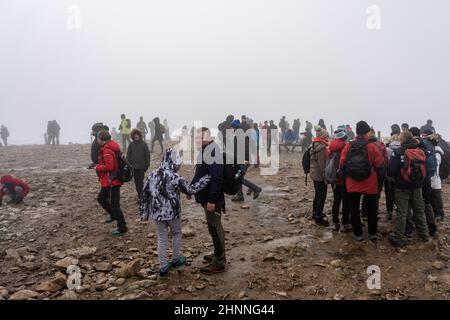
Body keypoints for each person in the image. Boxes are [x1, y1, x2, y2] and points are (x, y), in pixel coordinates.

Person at [140, 148, 210, 278]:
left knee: (162, 238)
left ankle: (163, 267)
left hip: (156, 213)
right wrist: (206, 179)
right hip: (172, 212)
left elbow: (144, 194)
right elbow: (190, 190)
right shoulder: (174, 176)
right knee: (176, 233)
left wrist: (144, 214)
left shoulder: (152, 174)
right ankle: (176, 260)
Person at [339, 121, 386, 241]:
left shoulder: (348, 146)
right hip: (370, 184)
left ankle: (358, 233)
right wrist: (379, 183)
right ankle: (372, 233)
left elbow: (342, 164)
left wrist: (345, 181)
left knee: (354, 209)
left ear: (356, 132)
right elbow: (380, 165)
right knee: (372, 209)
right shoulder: (371, 147)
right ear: (366, 133)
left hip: (352, 183)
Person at [191, 127, 226, 274]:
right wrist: (190, 188)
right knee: (213, 228)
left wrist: (212, 200)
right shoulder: (205, 149)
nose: (197, 140)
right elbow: (199, 172)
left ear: (208, 136)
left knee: (215, 228)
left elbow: (217, 178)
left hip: (212, 199)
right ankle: (217, 254)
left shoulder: (213, 151)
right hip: (206, 197)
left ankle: (219, 261)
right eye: (196, 138)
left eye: (200, 137)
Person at [387, 131, 430, 247]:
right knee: (420, 211)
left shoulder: (398, 152)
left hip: (402, 187)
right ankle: (425, 235)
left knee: (402, 213)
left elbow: (391, 170)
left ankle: (399, 237)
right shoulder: (420, 151)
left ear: (402, 140)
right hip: (417, 186)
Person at [96, 130, 128, 236]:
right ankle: (114, 216)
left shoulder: (107, 150)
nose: (97, 141)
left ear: (102, 139)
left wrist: (98, 167)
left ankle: (122, 228)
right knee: (101, 199)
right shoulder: (112, 147)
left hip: (112, 181)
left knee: (114, 205)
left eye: (98, 139)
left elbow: (110, 166)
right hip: (111, 180)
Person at [410, 127, 437, 236]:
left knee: (418, 204)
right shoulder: (427, 146)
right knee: (426, 202)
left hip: (418, 180)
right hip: (427, 179)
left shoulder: (414, 147)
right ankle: (432, 228)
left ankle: (422, 229)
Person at [230, 120, 262, 202]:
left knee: (238, 178)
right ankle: (240, 195)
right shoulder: (240, 134)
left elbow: (246, 149)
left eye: (232, 127)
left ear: (235, 127)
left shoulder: (240, 136)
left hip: (243, 161)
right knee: (238, 177)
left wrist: (246, 160)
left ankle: (255, 188)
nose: (231, 129)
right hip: (241, 160)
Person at [327, 126, 350, 232]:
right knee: (345, 202)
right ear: (344, 137)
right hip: (344, 179)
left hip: (334, 178)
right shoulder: (346, 147)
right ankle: (345, 223)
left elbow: (327, 160)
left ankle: (335, 223)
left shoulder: (331, 147)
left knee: (336, 201)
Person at [310, 126, 330, 226]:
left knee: (317, 195)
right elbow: (323, 166)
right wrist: (326, 178)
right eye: (327, 137)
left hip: (314, 174)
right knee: (322, 196)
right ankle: (318, 217)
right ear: (323, 136)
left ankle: (315, 213)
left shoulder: (314, 144)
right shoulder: (322, 148)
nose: (328, 139)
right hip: (319, 176)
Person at [425, 133, 445, 222]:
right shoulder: (435, 151)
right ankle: (436, 213)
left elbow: (435, 167)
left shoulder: (436, 152)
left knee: (436, 197)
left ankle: (439, 214)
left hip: (434, 178)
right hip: (434, 178)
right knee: (434, 197)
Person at [127, 129, 151, 200]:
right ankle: (140, 195)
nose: (136, 136)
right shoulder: (131, 145)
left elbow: (147, 155)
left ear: (140, 135)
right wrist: (129, 163)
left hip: (142, 167)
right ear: (133, 136)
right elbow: (128, 155)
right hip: (134, 167)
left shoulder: (144, 144)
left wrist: (147, 165)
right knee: (137, 183)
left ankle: (141, 196)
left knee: (140, 182)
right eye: (135, 135)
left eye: (137, 135)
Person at [385, 134, 402, 220]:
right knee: (399, 194)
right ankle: (400, 210)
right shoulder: (402, 149)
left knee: (389, 194)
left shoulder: (386, 149)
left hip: (388, 175)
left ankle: (389, 211)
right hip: (400, 176)